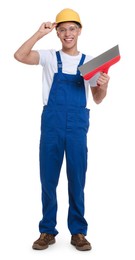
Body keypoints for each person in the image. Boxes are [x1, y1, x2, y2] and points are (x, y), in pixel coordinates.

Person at [14, 8, 110, 251]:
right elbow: (19, 55)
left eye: (72, 28)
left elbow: (97, 98)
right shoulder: (48, 57)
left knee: (77, 179)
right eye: (63, 29)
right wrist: (38, 33)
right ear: (57, 33)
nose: (68, 33)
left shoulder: (90, 63)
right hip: (52, 126)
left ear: (80, 31)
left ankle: (78, 231)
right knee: (48, 178)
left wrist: (103, 85)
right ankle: (47, 230)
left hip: (77, 127)